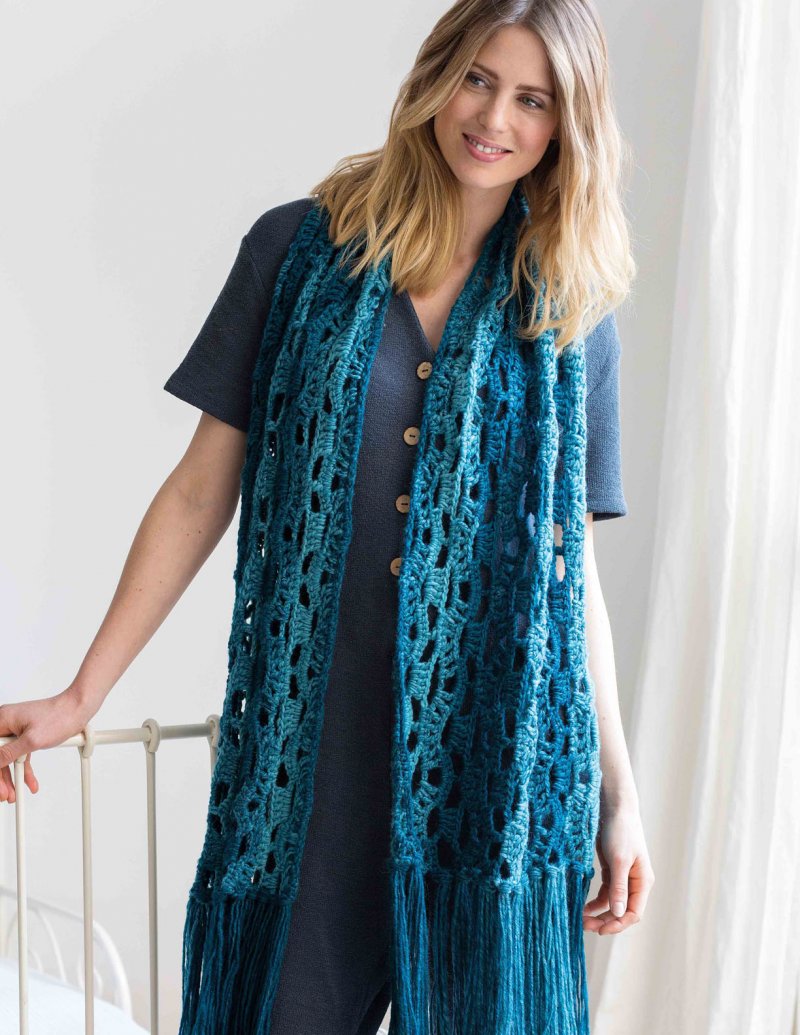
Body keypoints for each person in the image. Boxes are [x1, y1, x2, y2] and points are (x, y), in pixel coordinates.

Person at [0, 2, 655, 1032]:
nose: (493, 118)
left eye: (532, 100)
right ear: (436, 75)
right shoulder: (299, 253)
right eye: (477, 79)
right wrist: (84, 692)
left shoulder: (570, 314)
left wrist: (619, 798)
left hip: (500, 793)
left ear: (566, 126)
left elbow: (570, 588)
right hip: (309, 777)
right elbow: (199, 490)